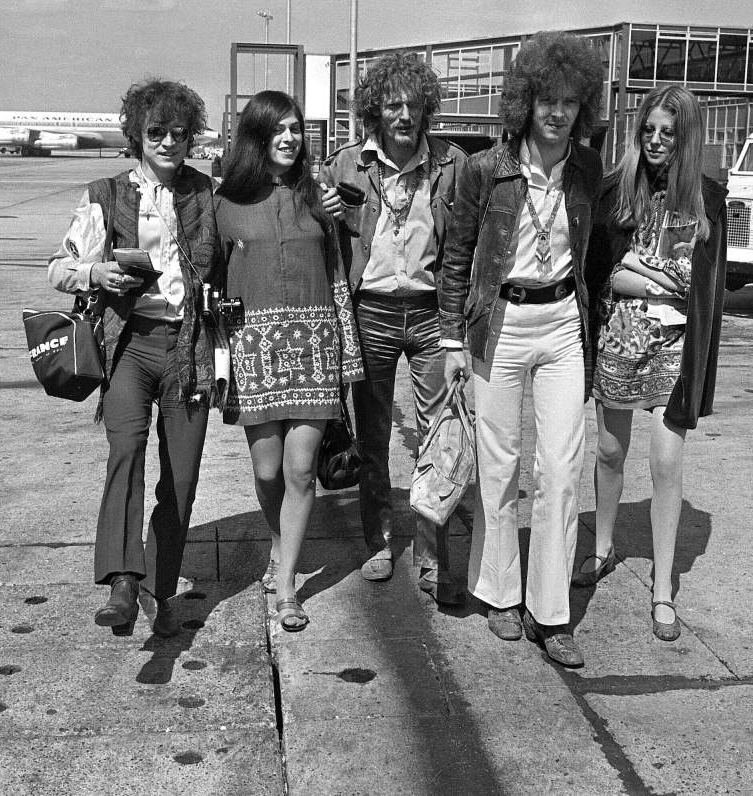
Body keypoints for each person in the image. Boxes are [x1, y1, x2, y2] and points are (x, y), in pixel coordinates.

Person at [437, 31, 605, 667]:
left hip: (562, 322)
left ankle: (550, 611)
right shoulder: (487, 169)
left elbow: (596, 253)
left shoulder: (587, 169)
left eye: (569, 102)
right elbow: (456, 257)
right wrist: (452, 339)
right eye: (546, 100)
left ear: (582, 107)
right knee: (499, 465)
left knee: (561, 468)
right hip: (499, 322)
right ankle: (501, 594)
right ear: (525, 102)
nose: (557, 113)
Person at [46, 79, 222, 638]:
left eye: (179, 133)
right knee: (126, 451)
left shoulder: (208, 194)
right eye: (156, 132)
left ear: (191, 137)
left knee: (182, 478)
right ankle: (123, 581)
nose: (168, 142)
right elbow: (58, 267)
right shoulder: (105, 194)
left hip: (189, 350)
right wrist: (95, 272)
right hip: (129, 345)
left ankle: (158, 589)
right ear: (137, 136)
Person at [578, 84, 728, 643]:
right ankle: (602, 547)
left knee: (666, 464)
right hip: (620, 338)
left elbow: (703, 287)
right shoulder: (616, 190)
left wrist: (641, 270)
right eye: (648, 130)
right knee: (609, 451)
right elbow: (605, 272)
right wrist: (658, 277)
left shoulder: (707, 200)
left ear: (685, 138)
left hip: (675, 348)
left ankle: (663, 586)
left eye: (668, 132)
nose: (656, 141)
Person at [321, 52, 468, 604]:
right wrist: (324, 212)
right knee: (373, 437)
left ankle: (432, 557)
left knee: (439, 435)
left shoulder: (452, 164)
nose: (403, 115)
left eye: (413, 105)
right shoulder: (344, 166)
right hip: (371, 312)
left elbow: (465, 244)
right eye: (392, 105)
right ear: (374, 111)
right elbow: (314, 233)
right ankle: (377, 541)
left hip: (432, 313)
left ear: (427, 108)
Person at [215, 90, 364, 632]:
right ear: (255, 136)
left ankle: (286, 587)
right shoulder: (225, 203)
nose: (289, 137)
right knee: (267, 470)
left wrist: (340, 218)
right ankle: (281, 544)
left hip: (315, 346)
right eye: (277, 128)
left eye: (295, 128)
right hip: (253, 350)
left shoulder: (320, 197)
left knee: (302, 471)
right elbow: (210, 277)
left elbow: (345, 268)